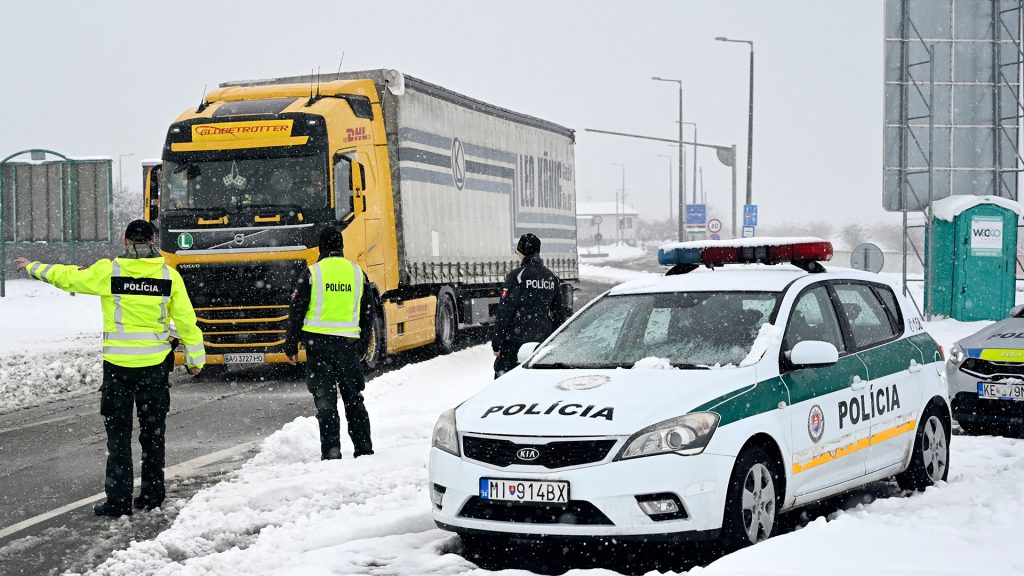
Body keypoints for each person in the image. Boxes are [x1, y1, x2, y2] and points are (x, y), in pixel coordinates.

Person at [14, 220, 205, 517]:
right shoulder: (170, 276)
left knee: (118, 437)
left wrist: (32, 267)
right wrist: (195, 360)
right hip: (154, 369)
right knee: (153, 436)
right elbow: (187, 323)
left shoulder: (109, 271)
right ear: (153, 240)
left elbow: (67, 277)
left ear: (125, 240)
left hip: (118, 370)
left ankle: (118, 501)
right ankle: (153, 496)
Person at [285, 227, 374, 460]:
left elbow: (296, 312)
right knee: (354, 400)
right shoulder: (357, 273)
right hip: (348, 348)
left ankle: (331, 453)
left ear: (320, 247)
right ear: (342, 246)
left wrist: (290, 345)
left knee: (326, 404)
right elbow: (368, 313)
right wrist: (363, 345)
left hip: (318, 348)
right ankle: (364, 450)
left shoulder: (312, 274)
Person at [491, 233, 570, 378]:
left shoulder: (517, 276)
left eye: (517, 252)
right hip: (541, 341)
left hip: (515, 341)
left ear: (522, 252)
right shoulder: (551, 277)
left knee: (506, 382)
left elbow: (505, 310)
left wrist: (497, 342)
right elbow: (559, 313)